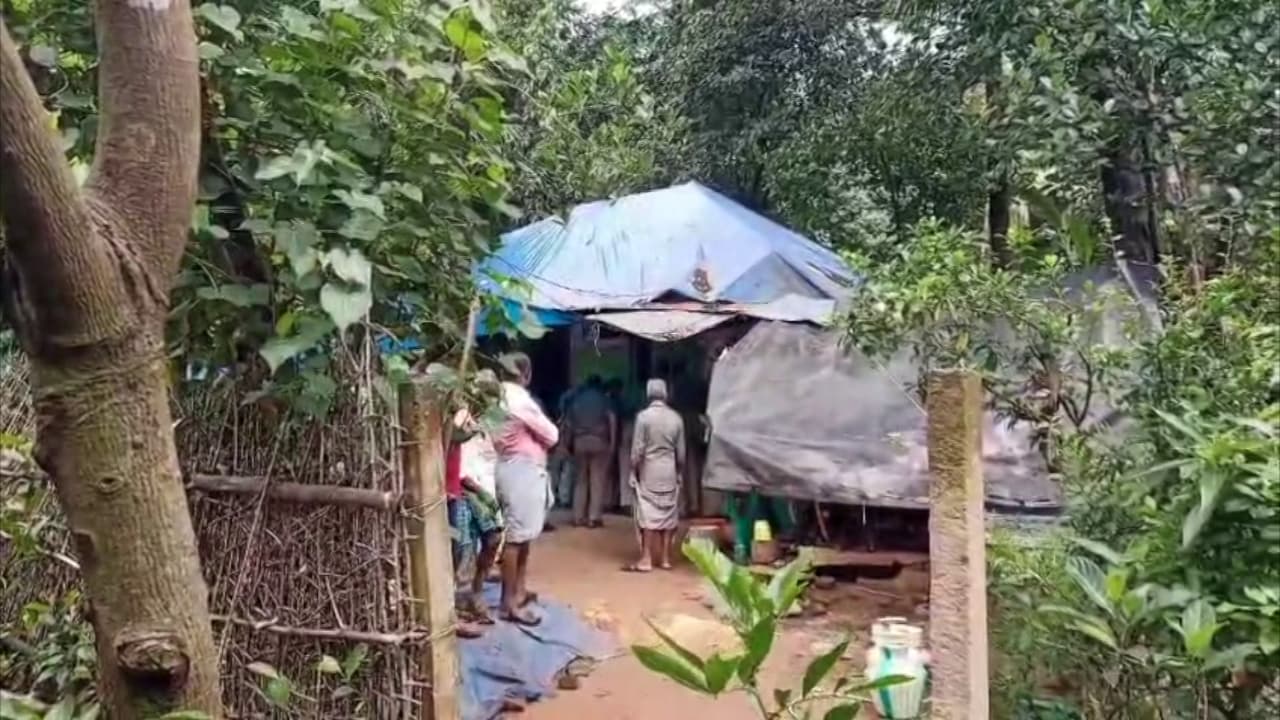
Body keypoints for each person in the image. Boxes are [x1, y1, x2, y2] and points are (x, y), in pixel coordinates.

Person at [492, 353, 559, 625]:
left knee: (522, 534)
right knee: (517, 537)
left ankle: (517, 591)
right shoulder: (518, 399)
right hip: (521, 470)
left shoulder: (498, 397)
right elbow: (551, 435)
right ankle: (509, 602)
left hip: (511, 466)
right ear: (526, 374)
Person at [451, 370, 503, 624]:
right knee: (465, 547)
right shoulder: (460, 417)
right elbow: (459, 449)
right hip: (461, 489)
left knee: (493, 538)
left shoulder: (486, 420)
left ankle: (477, 590)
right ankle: (462, 601)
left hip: (478, 486)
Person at [624, 379, 686, 572]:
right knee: (668, 514)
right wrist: (678, 471)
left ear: (648, 393)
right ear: (666, 394)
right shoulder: (676, 418)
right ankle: (665, 558)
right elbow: (681, 453)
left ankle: (646, 558)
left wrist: (633, 469)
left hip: (649, 470)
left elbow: (637, 450)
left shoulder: (643, 418)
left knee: (648, 514)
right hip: (669, 470)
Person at [566, 375, 616, 528]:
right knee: (597, 480)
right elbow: (611, 419)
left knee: (580, 480)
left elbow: (568, 423)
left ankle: (578, 516)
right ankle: (593, 517)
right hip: (598, 441)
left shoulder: (577, 400)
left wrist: (569, 442)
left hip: (579, 441)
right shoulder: (604, 399)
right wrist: (612, 442)